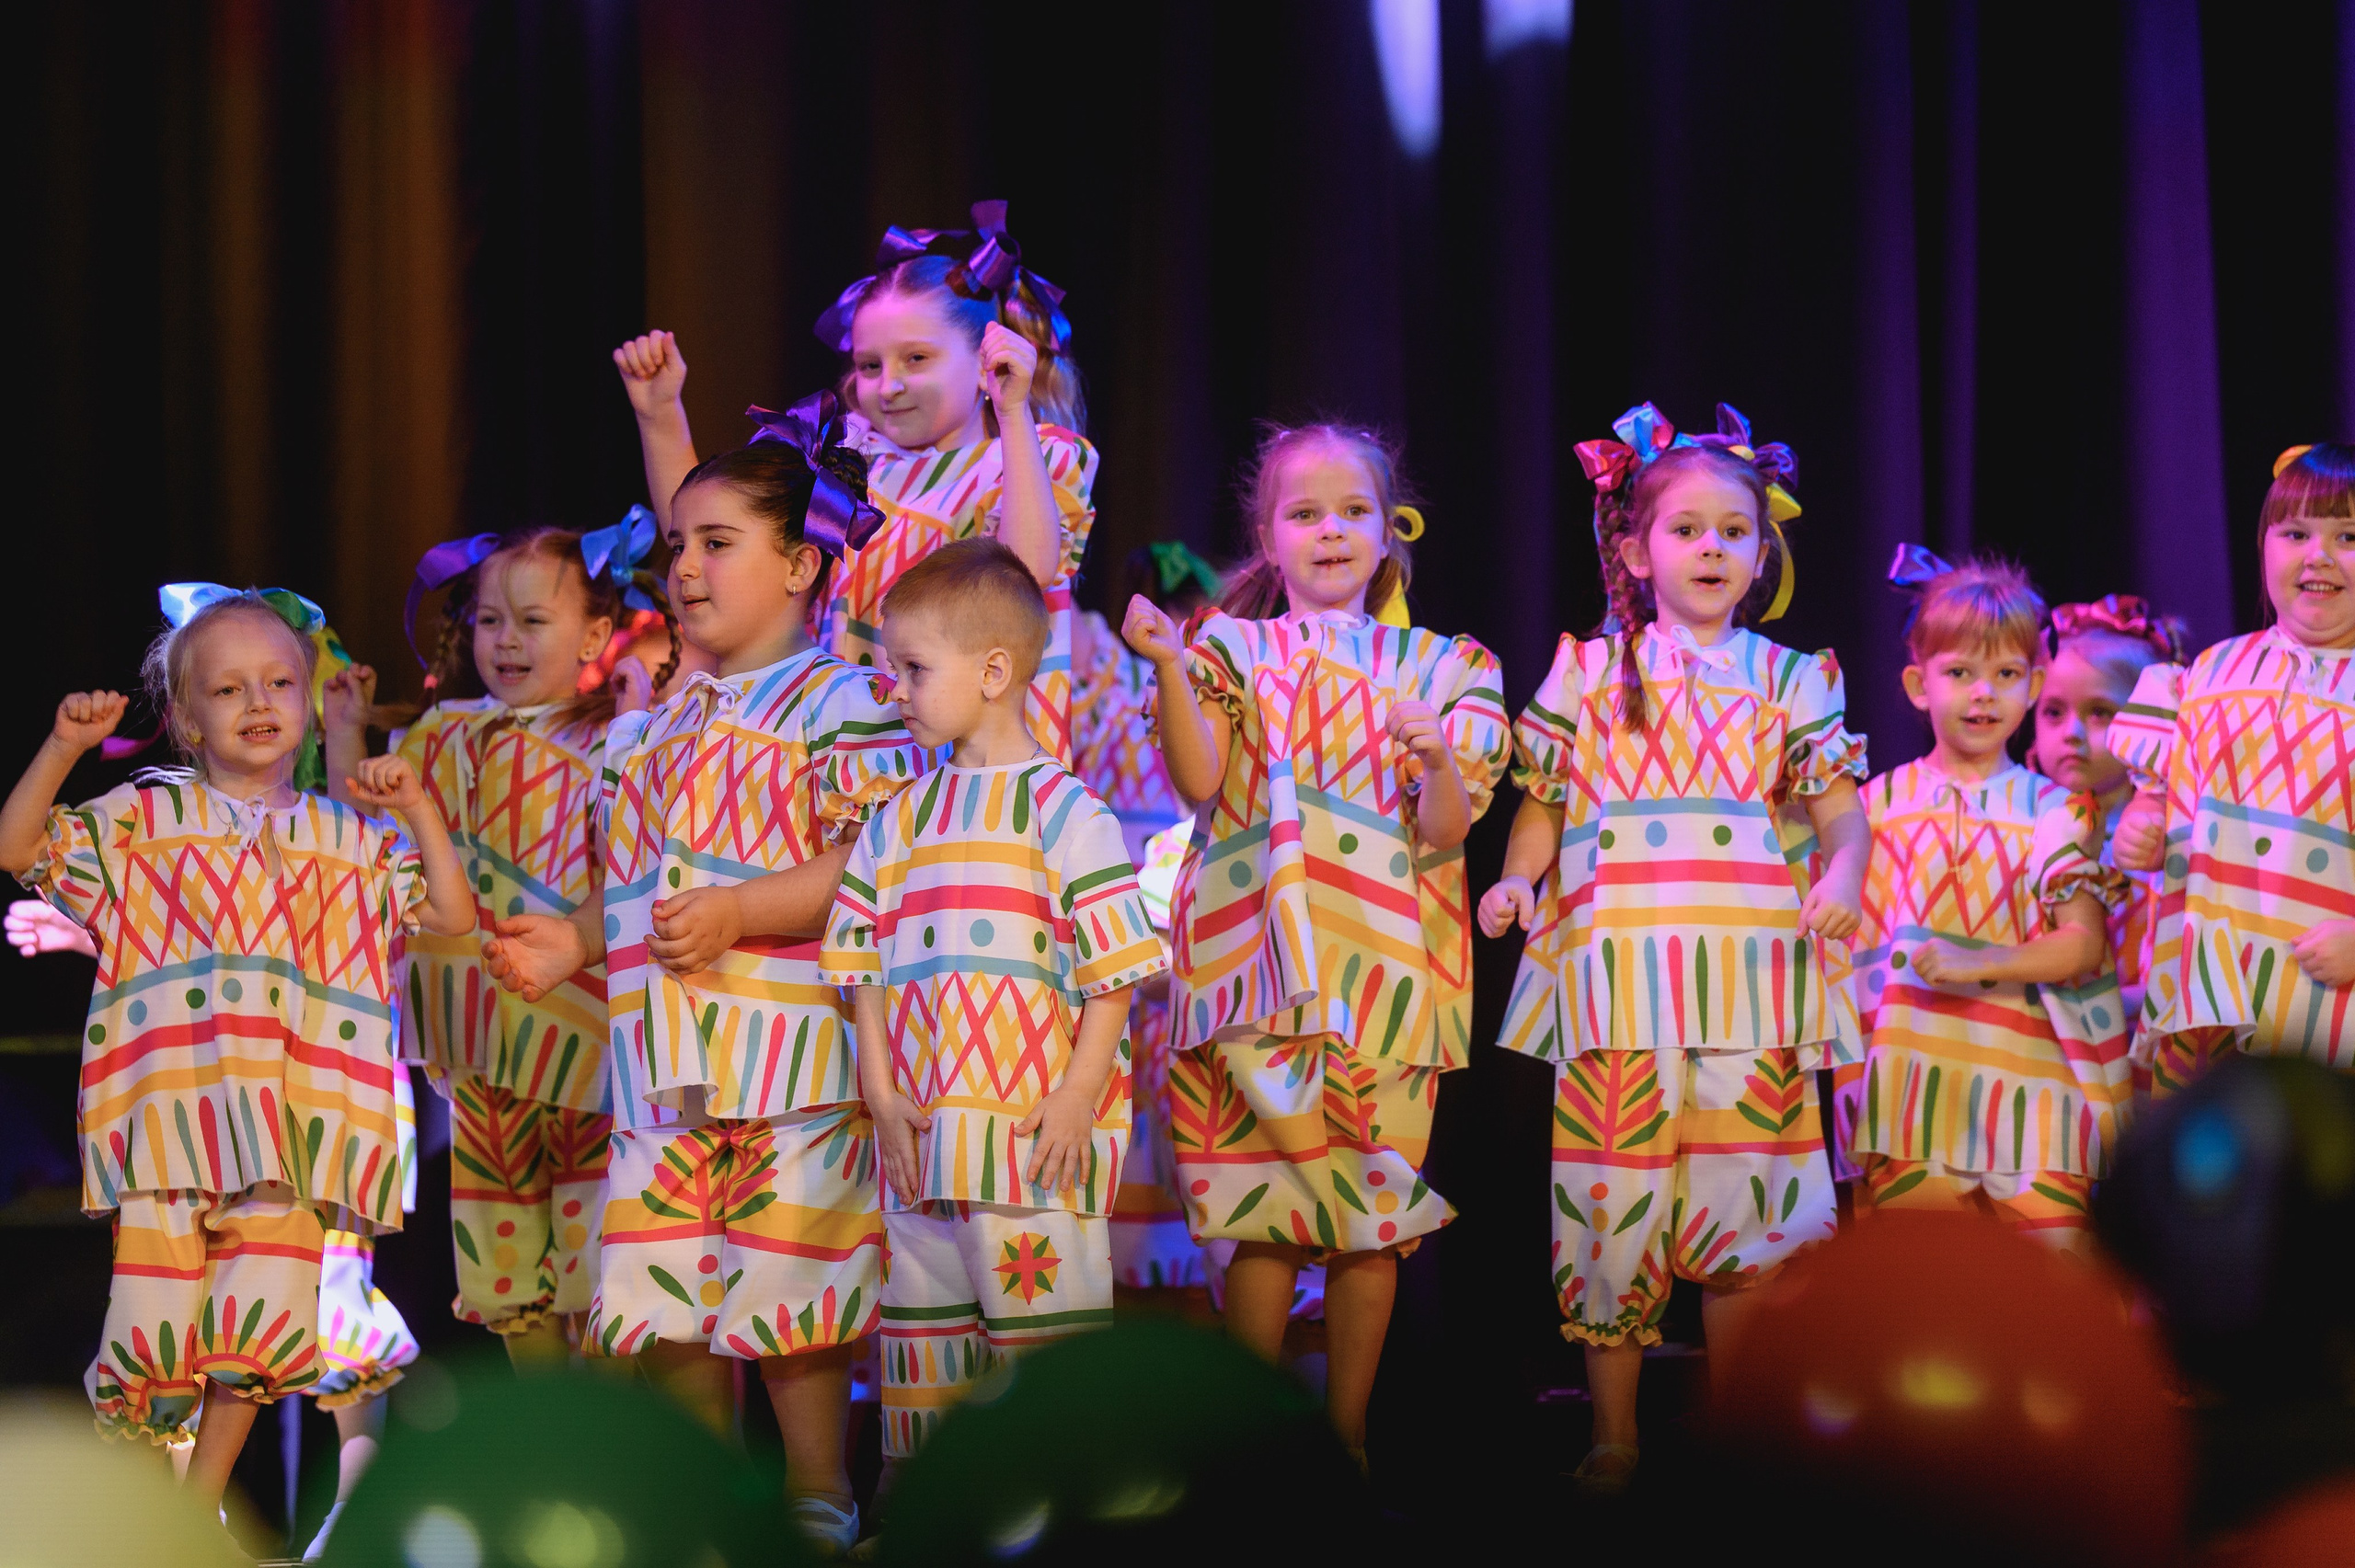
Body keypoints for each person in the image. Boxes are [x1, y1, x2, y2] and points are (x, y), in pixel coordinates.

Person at [484, 406, 923, 1554]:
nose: (684, 566)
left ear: (801, 565)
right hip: (662, 1066)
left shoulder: (845, 704)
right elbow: (637, 885)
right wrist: (573, 940)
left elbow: (866, 867)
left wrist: (739, 909)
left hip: (790, 1063)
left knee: (791, 1285)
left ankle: (818, 1491)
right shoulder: (651, 730)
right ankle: (713, 1500)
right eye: (678, 544)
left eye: (717, 543)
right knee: (668, 1287)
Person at [0, 584, 471, 1521]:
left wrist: (418, 808)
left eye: (280, 683)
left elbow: (452, 914)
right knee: (152, 1338)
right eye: (227, 689)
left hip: (293, 1139)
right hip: (171, 1130)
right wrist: (62, 747)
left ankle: (195, 1511)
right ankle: (148, 1511)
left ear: (308, 700)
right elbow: (20, 849)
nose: (259, 703)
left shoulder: (346, 840)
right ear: (185, 717)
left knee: (254, 1337)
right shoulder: (142, 821)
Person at [1478, 404, 1866, 1490]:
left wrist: (1842, 876)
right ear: (1637, 550)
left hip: (1753, 980)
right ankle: (1616, 1434)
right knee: (1611, 1206)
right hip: (1620, 979)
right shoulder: (1590, 672)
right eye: (1686, 529)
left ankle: (1738, 1428)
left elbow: (1840, 815)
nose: (1710, 549)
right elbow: (1543, 802)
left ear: (1760, 552)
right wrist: (1517, 878)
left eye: (1733, 531)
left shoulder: (1792, 680)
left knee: (1750, 1210)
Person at [1127, 421, 1508, 1470]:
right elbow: (1199, 782)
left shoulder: (1446, 666)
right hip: (1252, 967)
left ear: (1388, 532)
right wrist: (1169, 667)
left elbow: (1446, 828)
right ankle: (1252, 1444)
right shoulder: (1228, 648)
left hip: (1386, 975)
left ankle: (1345, 1447)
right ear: (1268, 536)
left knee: (1369, 1212)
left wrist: (1437, 758)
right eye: (1304, 513)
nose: (1330, 530)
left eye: (1352, 512)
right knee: (1261, 1206)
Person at [823, 537, 1166, 1471]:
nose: (893, 689)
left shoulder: (1069, 812)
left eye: (913, 669)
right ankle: (918, 1508)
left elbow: (1113, 973)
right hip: (922, 1144)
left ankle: (1057, 1509)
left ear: (993, 671)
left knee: (1042, 1351)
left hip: (1031, 1144)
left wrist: (1077, 1093)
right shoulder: (899, 818)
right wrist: (881, 1094)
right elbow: (861, 969)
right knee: (922, 1352)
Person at [328, 520, 671, 1369]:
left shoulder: (611, 738)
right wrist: (342, 731)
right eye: (489, 620)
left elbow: (639, 863)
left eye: (532, 620)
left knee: (598, 1262)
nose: (507, 639)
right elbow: (358, 840)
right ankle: (543, 1429)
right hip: (483, 1046)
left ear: (593, 633)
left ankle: (603, 1433)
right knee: (506, 1268)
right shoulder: (438, 735)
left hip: (588, 1050)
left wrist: (636, 716)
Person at [614, 200, 1097, 761]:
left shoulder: (1029, 459)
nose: (888, 386)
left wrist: (1013, 413)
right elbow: (710, 522)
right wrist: (660, 416)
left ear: (984, 360)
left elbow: (1025, 569)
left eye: (916, 359)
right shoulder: (848, 458)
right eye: (870, 366)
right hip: (844, 753)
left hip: (964, 766)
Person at [1844, 549, 2131, 1247]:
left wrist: (1977, 963)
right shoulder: (1873, 809)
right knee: (1921, 1287)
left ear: (2032, 685)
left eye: (2005, 675)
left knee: (2053, 1290)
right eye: (1960, 673)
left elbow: (2082, 944)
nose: (1983, 694)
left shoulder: (2057, 810)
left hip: (2034, 1097)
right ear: (1919, 684)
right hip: (1911, 1098)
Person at [2111, 442, 2355, 1087]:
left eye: (2349, 537)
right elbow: (2166, 792)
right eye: (2296, 533)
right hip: (2207, 998)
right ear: (2264, 544)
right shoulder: (2210, 672)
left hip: (2329, 1011)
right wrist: (2143, 820)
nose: (2319, 555)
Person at [1074, 542, 1221, 1297]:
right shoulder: (1114, 672)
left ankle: (1161, 1269)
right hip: (1132, 888)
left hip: (1143, 886)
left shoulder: (1118, 670)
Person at [2028, 594, 2188, 1095]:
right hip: (2046, 1073)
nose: (2072, 733)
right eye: (2053, 712)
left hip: (2142, 1068)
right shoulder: (2024, 822)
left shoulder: (2165, 839)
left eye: (2100, 713)